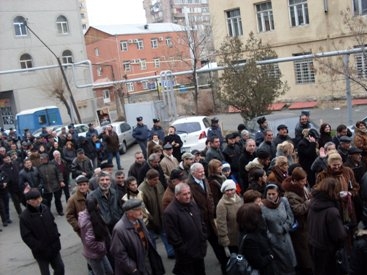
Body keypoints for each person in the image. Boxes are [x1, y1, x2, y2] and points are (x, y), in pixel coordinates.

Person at [187, 162, 227, 273]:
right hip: (200, 222)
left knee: (217, 244)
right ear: (193, 173)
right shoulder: (189, 185)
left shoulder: (204, 180)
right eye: (200, 172)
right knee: (201, 249)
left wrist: (213, 210)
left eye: (203, 171)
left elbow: (209, 196)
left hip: (210, 219)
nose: (202, 173)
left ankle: (225, 266)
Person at [110, 199, 165, 275]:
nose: (141, 212)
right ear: (129, 213)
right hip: (133, 269)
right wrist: (133, 269)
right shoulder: (119, 229)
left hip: (145, 262)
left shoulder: (139, 220)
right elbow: (119, 254)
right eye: (138, 210)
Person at [164, 183, 207, 275]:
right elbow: (172, 236)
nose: (188, 196)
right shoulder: (170, 212)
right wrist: (184, 250)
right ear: (177, 195)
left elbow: (201, 221)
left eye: (189, 193)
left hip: (199, 251)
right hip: (186, 257)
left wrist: (203, 236)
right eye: (184, 194)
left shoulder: (192, 204)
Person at [19, 188, 65, 275]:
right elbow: (26, 236)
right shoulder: (24, 217)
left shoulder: (45, 208)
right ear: (28, 201)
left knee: (60, 268)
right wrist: (38, 246)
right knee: (45, 273)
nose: (38, 201)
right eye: (35, 199)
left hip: (54, 247)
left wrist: (56, 236)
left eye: (39, 198)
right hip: (41, 252)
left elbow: (53, 223)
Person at [308, 177, 348, 275]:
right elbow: (339, 236)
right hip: (328, 252)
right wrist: (345, 229)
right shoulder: (331, 211)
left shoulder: (313, 203)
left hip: (314, 246)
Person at [282, 167, 313, 275]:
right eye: (302, 181)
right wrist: (309, 202)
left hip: (306, 224)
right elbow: (298, 210)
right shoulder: (290, 194)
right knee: (303, 252)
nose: (305, 183)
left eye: (305, 180)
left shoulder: (302, 188)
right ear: (295, 181)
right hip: (300, 227)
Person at [138, 168, 175, 258]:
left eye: (158, 179)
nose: (157, 181)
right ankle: (154, 258)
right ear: (148, 179)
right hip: (150, 222)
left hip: (162, 217)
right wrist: (151, 220)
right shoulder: (141, 190)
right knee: (152, 240)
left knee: (166, 235)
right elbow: (143, 209)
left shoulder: (158, 184)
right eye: (155, 180)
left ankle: (171, 253)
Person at [261, 183, 297, 274]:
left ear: (278, 194)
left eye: (273, 194)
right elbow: (263, 226)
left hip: (286, 237)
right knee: (280, 266)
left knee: (291, 262)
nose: (271, 196)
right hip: (274, 241)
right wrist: (270, 237)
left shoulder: (284, 201)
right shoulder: (262, 207)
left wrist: (285, 228)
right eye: (269, 194)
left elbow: (291, 217)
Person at [237, 203, 276, 275]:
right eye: (259, 214)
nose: (261, 216)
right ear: (253, 219)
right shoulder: (250, 239)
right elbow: (258, 263)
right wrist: (271, 256)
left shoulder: (255, 230)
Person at [78, 196, 113, 275]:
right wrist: (102, 247)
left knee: (109, 271)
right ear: (97, 205)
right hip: (94, 254)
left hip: (99, 253)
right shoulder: (89, 222)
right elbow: (90, 242)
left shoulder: (94, 216)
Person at [216, 179, 243, 255]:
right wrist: (225, 243)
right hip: (231, 239)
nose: (230, 192)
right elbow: (221, 224)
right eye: (227, 190)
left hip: (241, 234)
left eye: (231, 189)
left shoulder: (239, 199)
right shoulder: (221, 204)